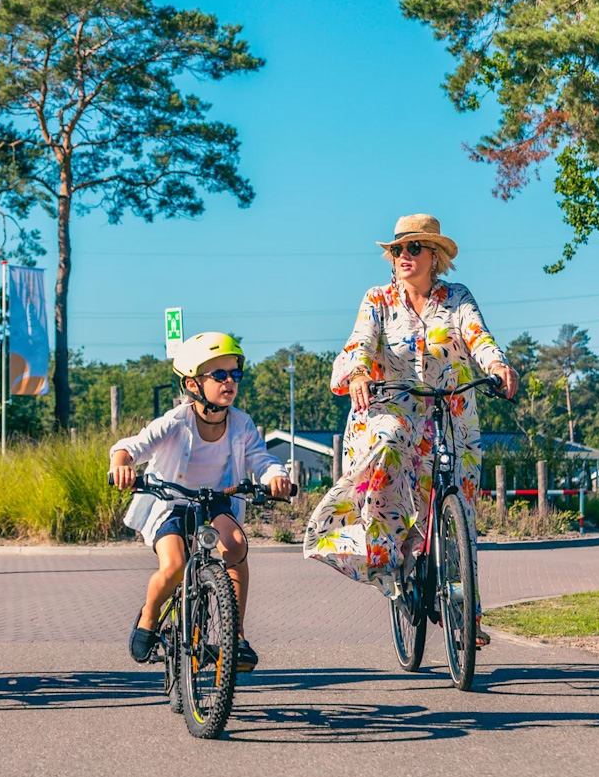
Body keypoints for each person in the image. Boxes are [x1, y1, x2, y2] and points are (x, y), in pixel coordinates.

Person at [303, 214, 518, 645]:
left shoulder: (456, 299)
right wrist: (360, 372)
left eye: (414, 248)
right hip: (390, 410)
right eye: (398, 249)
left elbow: (478, 337)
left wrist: (497, 366)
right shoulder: (378, 299)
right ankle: (389, 553)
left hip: (450, 416)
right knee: (389, 445)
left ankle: (466, 615)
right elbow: (360, 342)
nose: (403, 255)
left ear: (434, 257)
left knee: (461, 514)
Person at [109, 332, 292, 671]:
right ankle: (149, 616)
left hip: (215, 503)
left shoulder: (241, 423)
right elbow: (131, 447)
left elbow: (261, 459)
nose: (230, 382)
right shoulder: (177, 421)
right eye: (219, 375)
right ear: (193, 383)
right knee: (175, 565)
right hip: (172, 503)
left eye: (235, 374)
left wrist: (274, 478)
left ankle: (234, 637)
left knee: (235, 545)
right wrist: (121, 466)